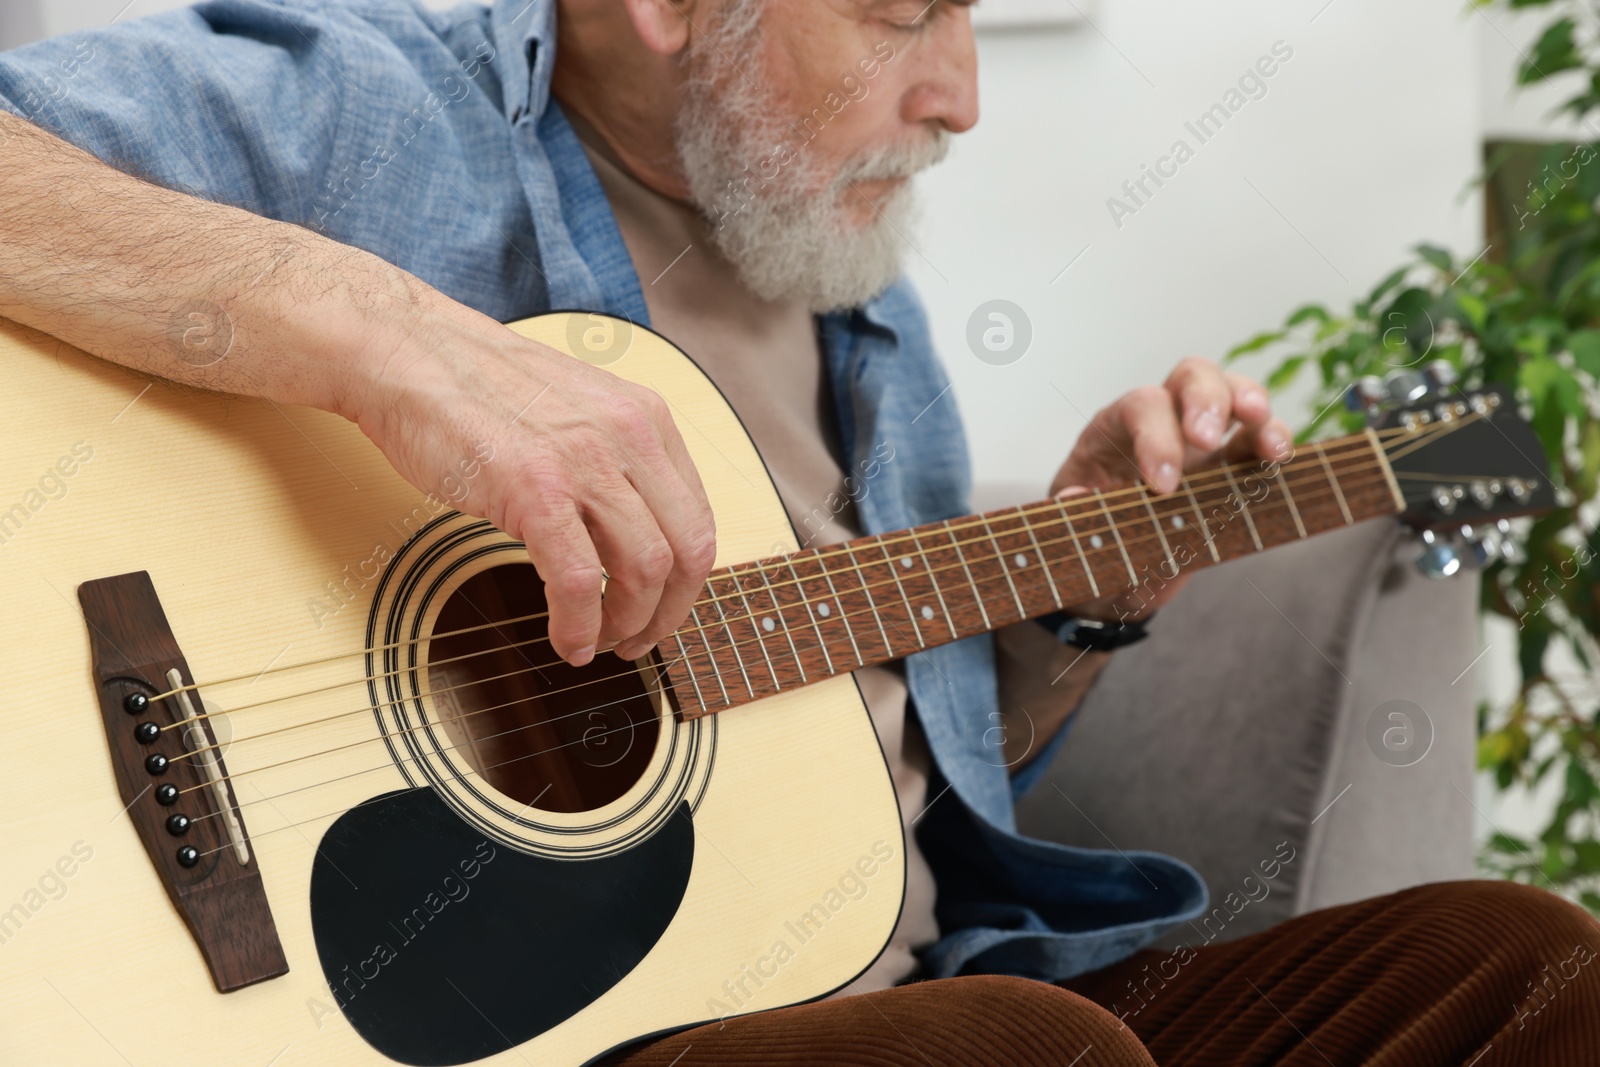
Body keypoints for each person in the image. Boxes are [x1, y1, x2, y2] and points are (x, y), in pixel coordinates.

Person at [0, 1, 1594, 1063]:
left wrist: (1081, 596)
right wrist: (395, 342)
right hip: (615, 1026)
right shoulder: (369, 117)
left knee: (1525, 965)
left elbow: (892, 759)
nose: (961, 94)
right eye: (903, 10)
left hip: (930, 996)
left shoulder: (853, 285)